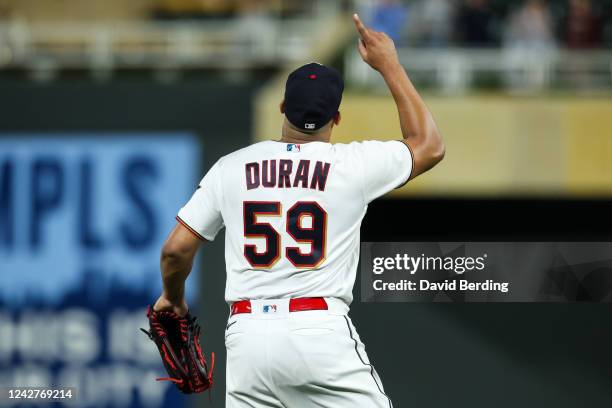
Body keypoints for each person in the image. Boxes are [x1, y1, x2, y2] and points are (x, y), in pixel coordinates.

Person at [152, 13, 444, 408]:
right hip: (318, 331)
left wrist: (172, 297)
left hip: (247, 335)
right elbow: (428, 145)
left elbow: (175, 250)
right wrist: (388, 64)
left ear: (282, 106)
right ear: (336, 118)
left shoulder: (231, 167)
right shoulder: (351, 165)